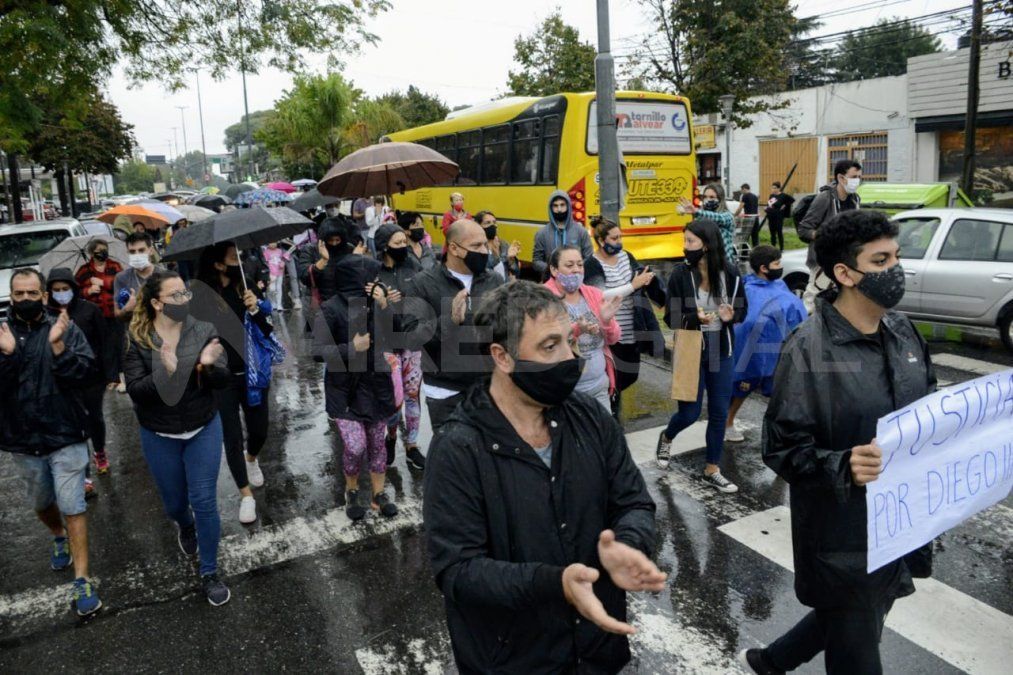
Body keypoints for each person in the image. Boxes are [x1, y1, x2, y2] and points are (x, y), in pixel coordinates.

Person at [423, 280, 666, 673]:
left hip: (598, 650)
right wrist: (555, 584)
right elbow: (458, 571)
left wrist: (628, 544)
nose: (571, 358)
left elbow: (634, 501)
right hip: (513, 660)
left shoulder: (589, 417)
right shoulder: (459, 448)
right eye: (550, 347)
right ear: (502, 357)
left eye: (569, 342)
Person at [741, 209, 935, 675]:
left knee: (863, 616)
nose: (897, 270)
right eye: (882, 259)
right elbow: (782, 447)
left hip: (900, 523)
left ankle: (772, 662)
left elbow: (927, 408)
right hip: (842, 539)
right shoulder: (808, 348)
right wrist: (843, 463)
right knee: (858, 642)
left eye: (897, 256)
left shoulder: (903, 331)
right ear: (845, 273)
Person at [123, 270, 232, 606]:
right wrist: (165, 371)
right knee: (174, 504)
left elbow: (224, 378)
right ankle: (185, 526)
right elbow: (137, 392)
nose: (184, 300)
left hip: (203, 427)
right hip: (160, 433)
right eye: (176, 296)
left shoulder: (203, 330)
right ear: (156, 303)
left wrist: (209, 367)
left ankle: (210, 572)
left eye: (186, 293)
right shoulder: (138, 338)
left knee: (204, 500)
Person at [0, 269, 103, 617]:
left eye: (32, 293)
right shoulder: (2, 334)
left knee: (73, 503)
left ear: (44, 296)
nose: (25, 300)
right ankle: (58, 535)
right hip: (23, 439)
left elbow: (87, 374)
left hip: (66, 432)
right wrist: (9, 357)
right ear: (11, 297)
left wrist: (59, 348)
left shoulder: (65, 327)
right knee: (43, 502)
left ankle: (83, 578)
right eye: (19, 294)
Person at [657, 219, 746, 493]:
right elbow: (670, 317)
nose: (686, 247)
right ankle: (667, 435)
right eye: (685, 241)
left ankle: (712, 469)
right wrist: (692, 318)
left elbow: (743, 310)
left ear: (707, 245)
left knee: (719, 413)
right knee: (690, 413)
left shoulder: (731, 273)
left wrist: (732, 316)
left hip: (722, 348)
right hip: (690, 347)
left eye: (691, 242)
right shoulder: (679, 275)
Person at [192, 242, 274, 524]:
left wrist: (255, 309)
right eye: (232, 256)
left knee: (259, 430)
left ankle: (251, 458)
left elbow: (268, 327)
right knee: (231, 434)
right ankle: (246, 495)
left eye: (238, 254)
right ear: (217, 264)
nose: (238, 259)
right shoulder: (200, 294)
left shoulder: (247, 285)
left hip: (254, 372)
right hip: (221, 377)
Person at [314, 255, 401, 521]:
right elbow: (318, 351)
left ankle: (378, 494)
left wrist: (384, 307)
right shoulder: (329, 308)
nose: (376, 283)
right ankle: (351, 490)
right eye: (371, 278)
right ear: (357, 280)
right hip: (345, 391)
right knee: (355, 446)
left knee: (378, 445)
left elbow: (397, 338)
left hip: (377, 385)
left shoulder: (377, 303)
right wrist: (352, 349)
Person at [402, 219, 503, 433]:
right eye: (476, 246)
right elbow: (411, 337)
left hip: (489, 389)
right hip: (445, 392)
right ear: (454, 248)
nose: (484, 251)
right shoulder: (422, 283)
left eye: (485, 244)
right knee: (454, 460)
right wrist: (450, 321)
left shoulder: (494, 281)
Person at [724, 245, 806, 443]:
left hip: (778, 348)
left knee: (781, 393)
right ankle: (727, 423)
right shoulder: (748, 289)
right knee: (742, 389)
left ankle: (782, 433)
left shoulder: (779, 285)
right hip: (753, 351)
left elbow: (793, 310)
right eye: (776, 263)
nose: (780, 266)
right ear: (763, 268)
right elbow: (747, 322)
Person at [583, 217, 666, 407]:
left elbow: (638, 278)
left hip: (632, 328)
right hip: (610, 332)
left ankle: (611, 403)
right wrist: (631, 286)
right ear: (601, 241)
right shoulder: (592, 265)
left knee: (630, 374)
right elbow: (599, 295)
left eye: (620, 237)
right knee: (614, 378)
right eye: (614, 238)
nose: (619, 242)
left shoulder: (626, 257)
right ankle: (611, 414)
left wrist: (648, 280)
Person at [47, 268, 109, 493]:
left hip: (92, 375)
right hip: (65, 377)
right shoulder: (47, 316)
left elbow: (104, 341)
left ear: (73, 289)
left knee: (94, 417)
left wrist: (110, 373)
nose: (61, 293)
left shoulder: (89, 310)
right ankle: (84, 474)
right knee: (76, 420)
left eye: (65, 289)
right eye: (56, 290)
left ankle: (100, 451)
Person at [543, 245, 622, 412]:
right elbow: (544, 340)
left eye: (580, 265)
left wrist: (607, 322)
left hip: (599, 386)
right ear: (554, 270)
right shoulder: (543, 297)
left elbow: (614, 339)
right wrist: (577, 330)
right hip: (565, 391)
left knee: (603, 436)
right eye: (569, 265)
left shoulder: (595, 294)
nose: (576, 270)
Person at [374, 223, 427, 471]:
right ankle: (392, 436)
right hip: (387, 345)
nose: (403, 247)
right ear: (384, 247)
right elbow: (365, 311)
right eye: (397, 244)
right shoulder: (373, 272)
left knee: (413, 395)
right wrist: (382, 302)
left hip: (412, 342)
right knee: (394, 401)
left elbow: (425, 297)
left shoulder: (413, 266)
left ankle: (412, 446)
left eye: (404, 242)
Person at [797, 159, 862, 313]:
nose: (857, 181)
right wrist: (825, 235)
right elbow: (804, 229)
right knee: (813, 304)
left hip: (846, 262)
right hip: (823, 263)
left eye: (859, 177)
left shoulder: (855, 199)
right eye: (854, 177)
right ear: (841, 178)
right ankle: (804, 334)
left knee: (840, 306)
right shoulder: (825, 198)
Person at [75, 239, 124, 392]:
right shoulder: (84, 271)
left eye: (105, 249)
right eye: (99, 250)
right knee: (103, 347)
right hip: (96, 316)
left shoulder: (114, 266)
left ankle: (122, 376)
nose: (103, 253)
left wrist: (102, 282)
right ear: (91, 253)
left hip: (115, 312)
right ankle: (110, 378)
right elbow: (75, 291)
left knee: (119, 345)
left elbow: (121, 284)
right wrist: (87, 291)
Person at [532, 191, 593, 276]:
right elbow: (536, 261)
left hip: (577, 280)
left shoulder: (581, 231)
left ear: (568, 206)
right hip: (551, 280)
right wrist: (553, 269)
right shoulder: (541, 233)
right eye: (555, 206)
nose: (559, 209)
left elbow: (589, 258)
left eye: (562, 205)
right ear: (550, 208)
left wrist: (574, 269)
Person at [679, 183, 736, 262]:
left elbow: (717, 218)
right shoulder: (700, 218)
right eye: (705, 197)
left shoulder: (727, 216)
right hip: (706, 265)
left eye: (712, 197)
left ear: (720, 199)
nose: (707, 199)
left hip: (724, 265)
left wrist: (696, 211)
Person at [475, 210, 521, 281]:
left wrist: (511, 259)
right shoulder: (476, 247)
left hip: (504, 288)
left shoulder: (503, 244)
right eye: (487, 223)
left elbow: (515, 272)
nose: (492, 225)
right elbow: (484, 271)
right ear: (479, 226)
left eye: (494, 222)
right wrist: (497, 254)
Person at [763, 181, 795, 251]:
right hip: (771, 216)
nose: (773, 190)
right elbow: (770, 205)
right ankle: (773, 248)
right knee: (772, 233)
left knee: (779, 232)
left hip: (779, 217)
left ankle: (781, 248)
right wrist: (766, 208)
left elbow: (792, 200)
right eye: (772, 188)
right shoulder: (772, 196)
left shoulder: (783, 196)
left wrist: (785, 205)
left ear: (779, 188)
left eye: (775, 188)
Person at [262, 241, 290, 312]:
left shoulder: (280, 251)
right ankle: (273, 302)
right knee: (272, 289)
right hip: (271, 273)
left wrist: (283, 262)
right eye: (271, 242)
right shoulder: (266, 252)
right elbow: (265, 262)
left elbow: (284, 258)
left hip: (279, 272)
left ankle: (279, 304)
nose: (273, 244)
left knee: (279, 288)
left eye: (275, 242)